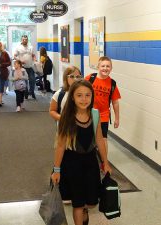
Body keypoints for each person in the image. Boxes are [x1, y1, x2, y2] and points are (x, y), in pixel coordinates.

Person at [51, 79, 112, 225]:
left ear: (92, 97)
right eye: (79, 95)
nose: (84, 99)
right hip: (72, 164)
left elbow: (99, 140)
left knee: (91, 203)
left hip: (90, 162)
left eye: (87, 95)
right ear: (72, 97)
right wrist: (56, 169)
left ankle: (85, 209)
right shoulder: (66, 117)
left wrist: (105, 162)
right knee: (77, 203)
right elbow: (60, 145)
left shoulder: (94, 115)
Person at [85, 56, 121, 154]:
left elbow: (115, 102)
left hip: (103, 116)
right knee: (88, 137)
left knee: (103, 139)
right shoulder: (90, 78)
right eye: (103, 66)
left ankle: (104, 162)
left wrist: (117, 118)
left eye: (108, 66)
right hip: (89, 114)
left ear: (111, 69)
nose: (105, 68)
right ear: (98, 67)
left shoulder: (112, 84)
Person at [14, 35, 36, 99]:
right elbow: (14, 56)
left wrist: (35, 60)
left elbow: (33, 55)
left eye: (26, 39)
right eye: (23, 39)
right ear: (21, 40)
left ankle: (31, 91)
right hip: (23, 67)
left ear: (27, 40)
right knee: (24, 80)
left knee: (33, 80)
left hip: (30, 66)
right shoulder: (18, 47)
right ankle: (25, 93)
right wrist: (20, 60)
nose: (25, 41)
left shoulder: (31, 47)